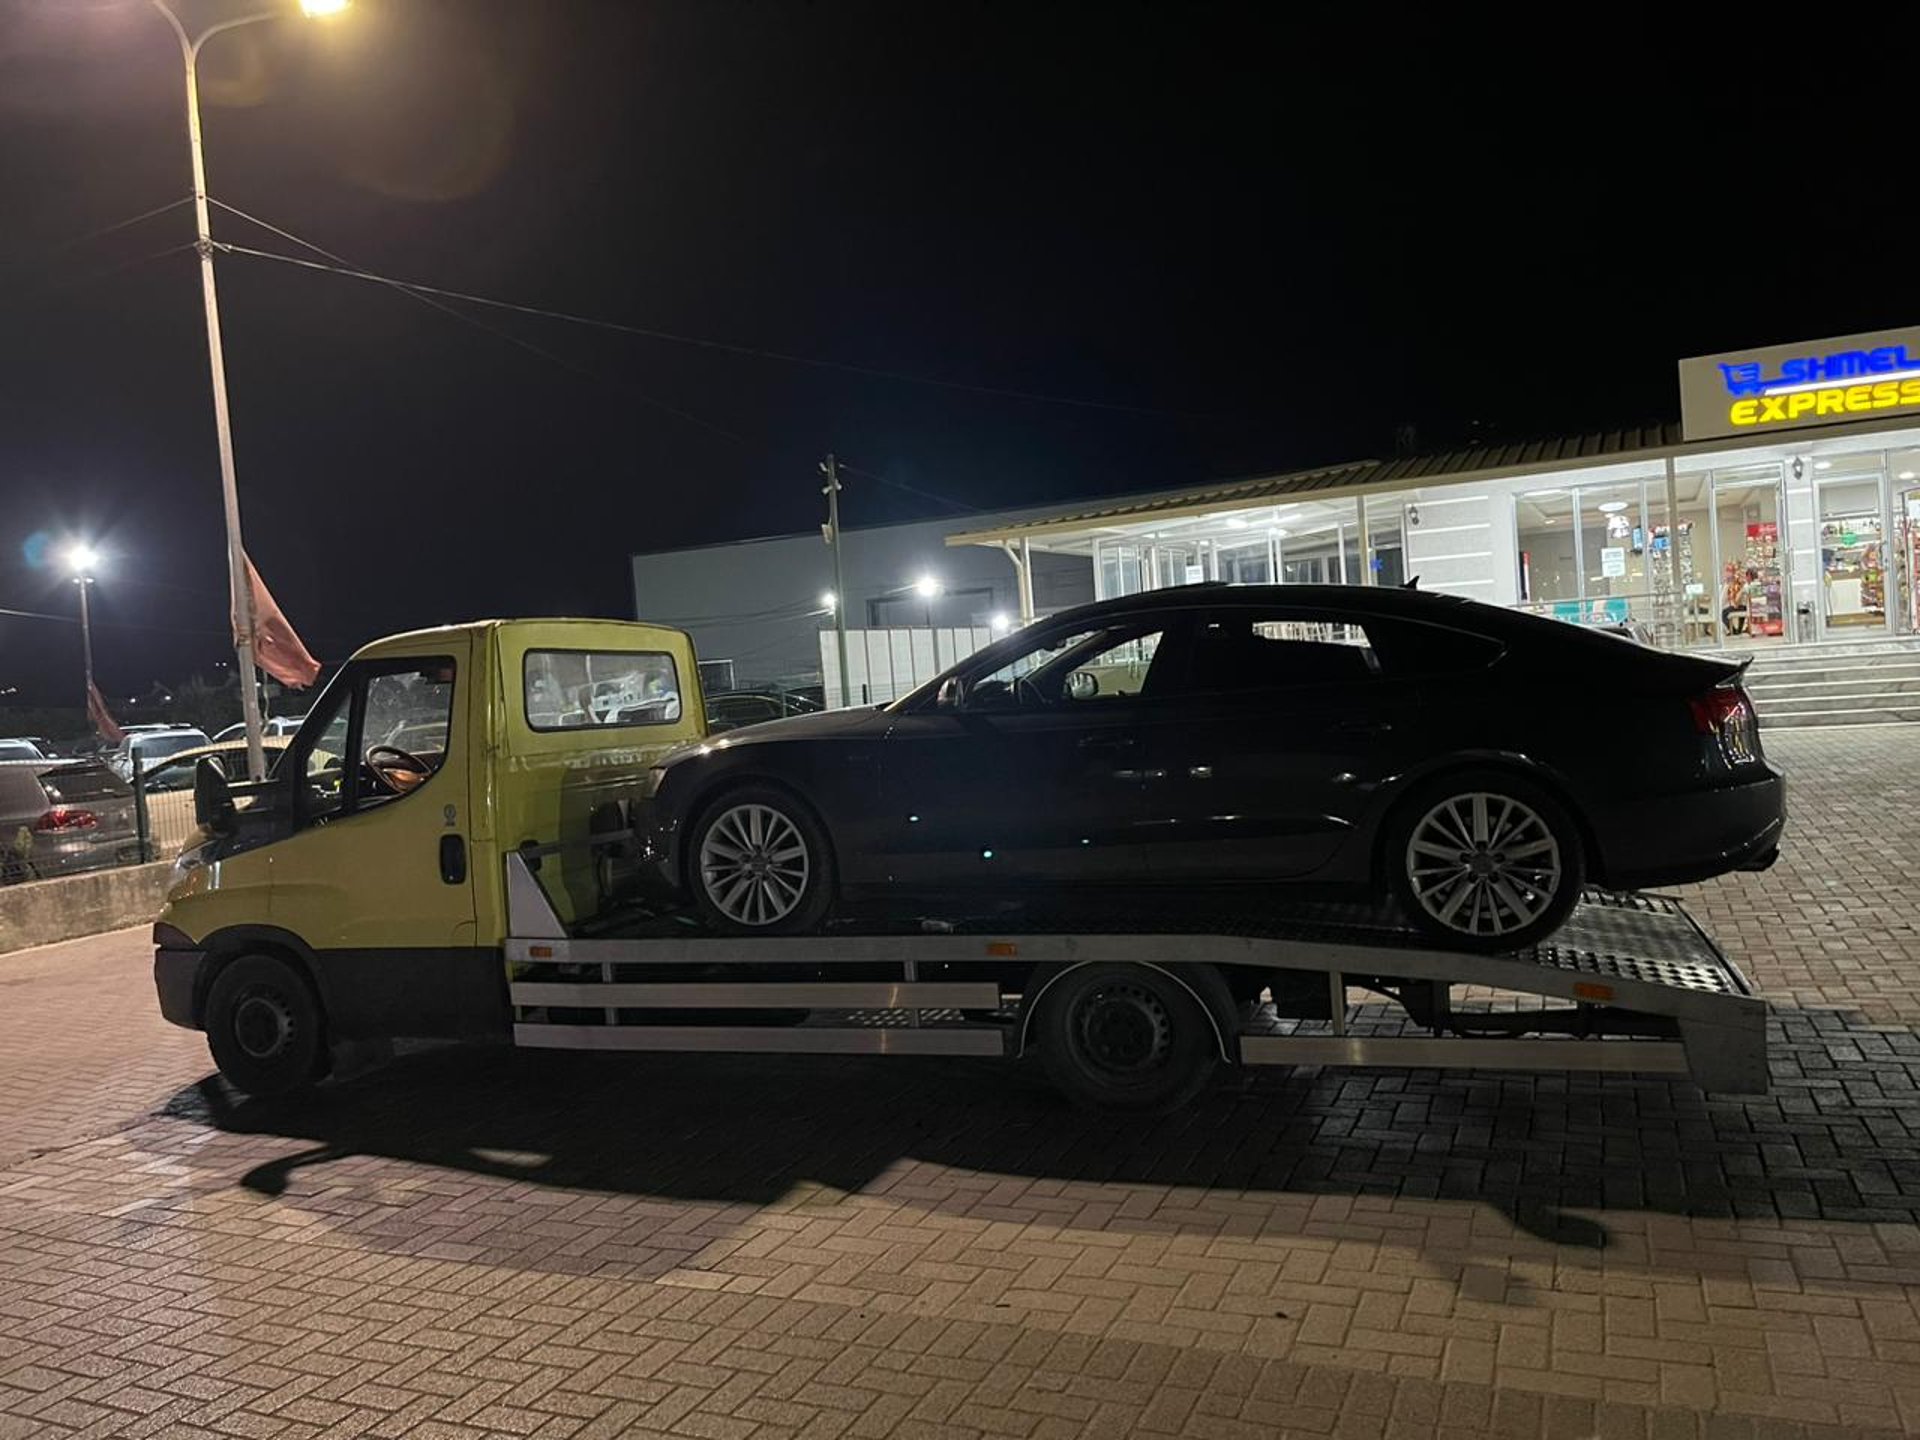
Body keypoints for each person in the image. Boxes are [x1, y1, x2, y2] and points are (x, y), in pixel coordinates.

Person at [1721, 567, 1750, 636]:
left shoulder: (1742, 586)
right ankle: (1737, 630)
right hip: (1741, 605)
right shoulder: (1736, 585)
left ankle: (1734, 630)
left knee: (1723, 613)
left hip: (1741, 605)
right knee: (1724, 612)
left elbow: (1736, 599)